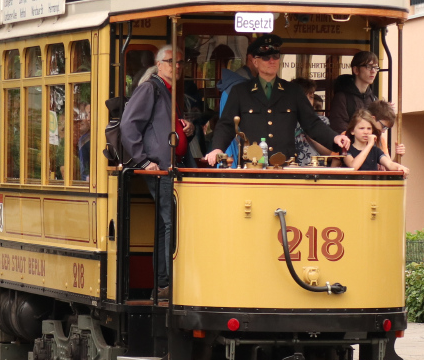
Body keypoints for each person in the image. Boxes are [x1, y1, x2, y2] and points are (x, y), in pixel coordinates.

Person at [119, 45, 193, 303]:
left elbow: (164, 128)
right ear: (159, 64)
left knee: (166, 225)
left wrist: (188, 128)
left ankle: (163, 284)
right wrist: (144, 161)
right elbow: (129, 126)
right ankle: (169, 283)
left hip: (171, 168)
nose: (177, 66)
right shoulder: (150, 88)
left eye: (181, 63)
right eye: (172, 61)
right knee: (171, 224)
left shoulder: (169, 91)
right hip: (161, 170)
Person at [205, 35, 350, 165]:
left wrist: (334, 138)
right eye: (266, 57)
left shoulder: (293, 91)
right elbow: (226, 125)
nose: (271, 61)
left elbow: (311, 123)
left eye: (275, 56)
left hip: (285, 166)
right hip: (252, 167)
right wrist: (217, 148)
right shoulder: (240, 92)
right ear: (255, 62)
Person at [327, 51, 383, 133]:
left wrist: (386, 112)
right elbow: (339, 128)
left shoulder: (374, 99)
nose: (373, 71)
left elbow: (379, 127)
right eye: (369, 67)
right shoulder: (342, 98)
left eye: (376, 68)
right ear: (356, 70)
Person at [342, 110, 409, 173]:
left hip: (372, 184)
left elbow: (389, 164)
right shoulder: (346, 149)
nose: (366, 132)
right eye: (361, 128)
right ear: (352, 131)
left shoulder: (375, 151)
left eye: (369, 128)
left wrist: (400, 167)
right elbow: (354, 167)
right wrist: (369, 145)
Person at [292, 78, 333, 167]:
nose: (308, 101)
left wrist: (311, 134)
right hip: (290, 170)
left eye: (311, 97)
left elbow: (330, 154)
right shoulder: (286, 119)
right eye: (304, 96)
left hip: (315, 170)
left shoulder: (321, 121)